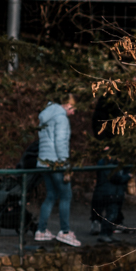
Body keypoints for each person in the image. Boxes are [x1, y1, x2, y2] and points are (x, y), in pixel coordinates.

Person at [33, 93, 80, 247]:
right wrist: (65, 164)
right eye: (73, 108)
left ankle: (41, 230)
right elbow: (61, 142)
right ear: (67, 104)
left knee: (51, 195)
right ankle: (65, 231)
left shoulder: (46, 116)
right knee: (66, 195)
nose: (73, 113)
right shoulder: (61, 118)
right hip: (56, 163)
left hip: (44, 162)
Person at [91, 148, 133, 238]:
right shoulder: (111, 164)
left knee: (111, 213)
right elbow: (116, 178)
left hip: (108, 192)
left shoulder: (105, 162)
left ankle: (107, 234)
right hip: (111, 193)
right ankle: (105, 234)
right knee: (111, 214)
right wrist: (127, 176)